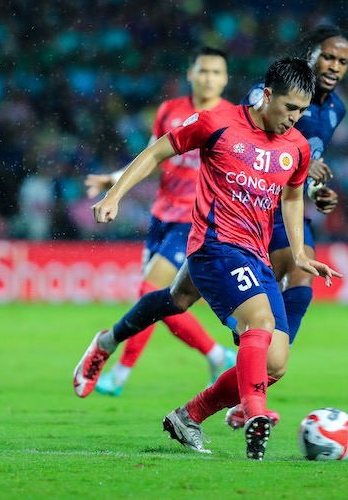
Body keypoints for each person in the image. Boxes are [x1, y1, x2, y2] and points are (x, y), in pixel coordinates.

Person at [73, 58, 342, 460]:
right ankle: (255, 413)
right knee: (261, 323)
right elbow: (155, 153)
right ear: (267, 95)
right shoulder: (217, 122)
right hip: (212, 245)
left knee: (272, 361)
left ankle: (169, 399)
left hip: (255, 254)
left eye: (302, 111)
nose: (295, 118)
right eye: (289, 108)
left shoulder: (297, 147)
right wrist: (114, 195)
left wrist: (300, 252)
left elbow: (290, 195)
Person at [83, 47, 236, 395]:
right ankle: (217, 355)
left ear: (225, 79)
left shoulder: (232, 118)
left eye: (216, 72)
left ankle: (119, 373)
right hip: (161, 216)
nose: (209, 77)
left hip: (196, 220)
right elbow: (152, 155)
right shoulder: (170, 111)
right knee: (164, 302)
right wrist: (115, 180)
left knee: (149, 292)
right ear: (191, 73)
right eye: (203, 71)